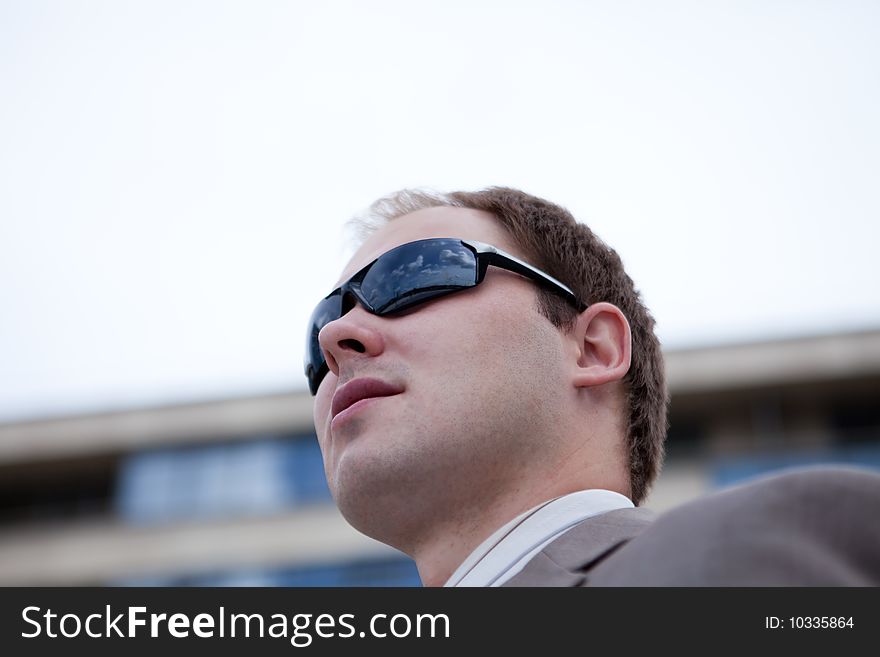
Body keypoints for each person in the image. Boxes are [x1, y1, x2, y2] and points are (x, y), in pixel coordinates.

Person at [304, 187, 880, 586]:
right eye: (317, 331)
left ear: (593, 348)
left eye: (415, 275)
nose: (336, 336)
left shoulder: (767, 549)